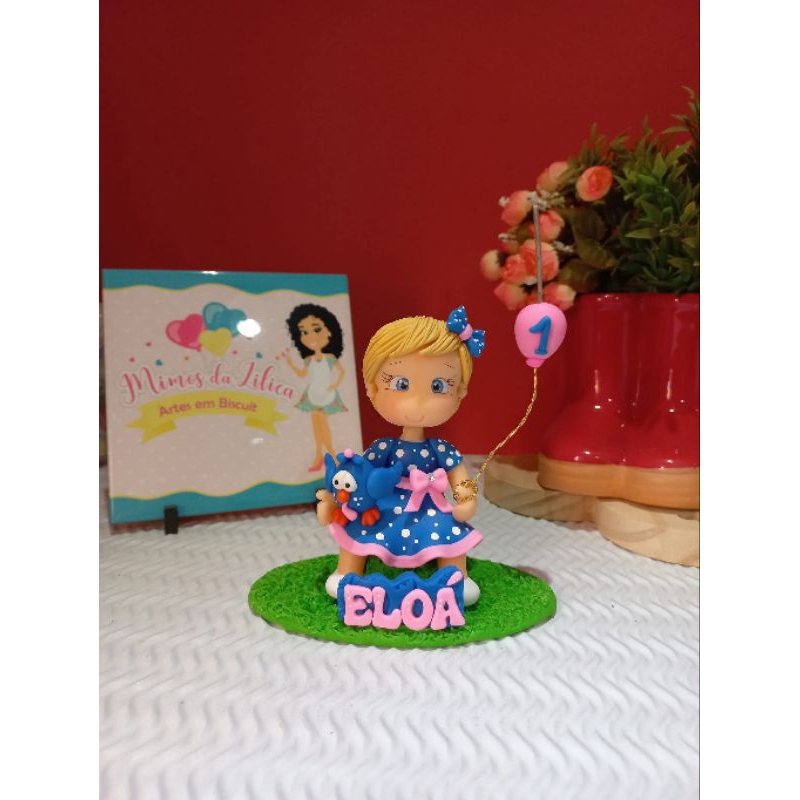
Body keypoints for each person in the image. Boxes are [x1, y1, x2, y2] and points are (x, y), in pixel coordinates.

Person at [316, 307, 485, 605]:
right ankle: (347, 573)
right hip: (385, 505)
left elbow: (460, 477)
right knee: (359, 525)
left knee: (450, 531)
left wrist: (466, 499)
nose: (418, 402)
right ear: (373, 388)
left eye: (438, 386)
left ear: (459, 391)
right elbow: (357, 475)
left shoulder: (441, 450)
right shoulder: (384, 448)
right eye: (401, 385)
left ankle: (456, 578)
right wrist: (334, 497)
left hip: (430, 508)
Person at [277, 304, 347, 472]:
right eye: (304, 332)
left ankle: (331, 454)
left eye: (317, 329)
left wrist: (335, 384)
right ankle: (319, 455)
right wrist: (290, 364)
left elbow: (342, 372)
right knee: (317, 426)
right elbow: (302, 374)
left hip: (326, 394)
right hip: (313, 394)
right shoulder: (308, 359)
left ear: (329, 331)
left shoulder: (330, 358)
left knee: (323, 425)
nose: (311, 337)